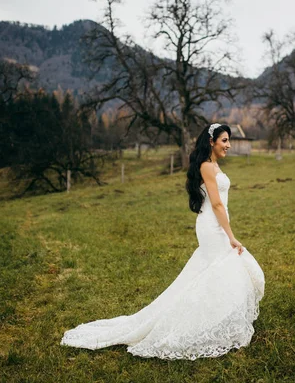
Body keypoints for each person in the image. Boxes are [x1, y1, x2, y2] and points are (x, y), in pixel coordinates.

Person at [60, 123, 264, 359]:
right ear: (211, 141)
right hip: (212, 226)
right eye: (225, 140)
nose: (228, 145)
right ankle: (199, 322)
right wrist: (231, 236)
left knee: (215, 269)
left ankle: (219, 318)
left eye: (229, 140)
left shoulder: (214, 164)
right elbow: (217, 204)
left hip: (216, 223)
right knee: (223, 265)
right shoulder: (207, 166)